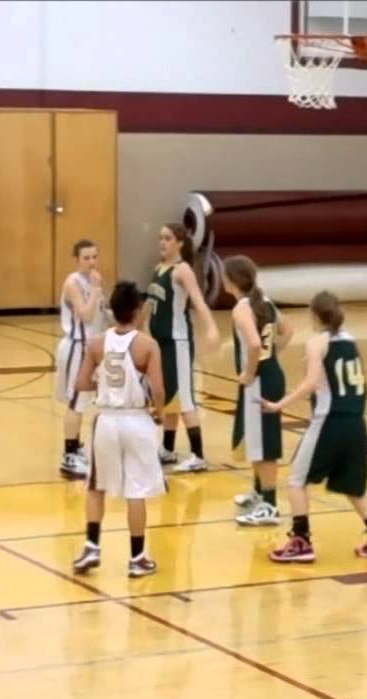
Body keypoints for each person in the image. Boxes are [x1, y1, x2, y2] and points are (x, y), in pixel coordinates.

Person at [262, 291, 367, 563]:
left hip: (329, 421)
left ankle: (301, 540)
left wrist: (279, 405)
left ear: (314, 315)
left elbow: (311, 383)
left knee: (296, 481)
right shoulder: (350, 340)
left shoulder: (316, 343)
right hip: (356, 422)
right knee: (353, 485)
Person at [70, 281, 166, 578]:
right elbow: (158, 390)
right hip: (136, 418)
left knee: (96, 486)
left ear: (112, 310)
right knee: (136, 489)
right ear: (138, 311)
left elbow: (81, 383)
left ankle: (91, 546)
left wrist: (106, 382)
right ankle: (137, 557)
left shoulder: (97, 343)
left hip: (106, 420)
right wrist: (159, 412)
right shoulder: (147, 345)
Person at [142, 223, 220, 473]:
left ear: (179, 243)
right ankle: (167, 449)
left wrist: (212, 328)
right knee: (169, 397)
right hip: (160, 344)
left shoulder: (182, 270)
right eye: (160, 238)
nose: (162, 242)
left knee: (184, 398)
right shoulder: (158, 269)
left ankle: (198, 456)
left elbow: (198, 301)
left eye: (167, 238)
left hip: (178, 343)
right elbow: (149, 305)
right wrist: (135, 326)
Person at [224, 256, 294, 526]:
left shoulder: (242, 308)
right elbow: (288, 331)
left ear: (230, 280)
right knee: (256, 439)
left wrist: (250, 372)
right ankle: (259, 492)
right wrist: (271, 356)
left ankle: (270, 506)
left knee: (264, 443)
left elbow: (254, 344)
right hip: (271, 375)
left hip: (260, 382)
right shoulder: (264, 301)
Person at [55, 239, 107, 479]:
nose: (92, 262)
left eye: (94, 257)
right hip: (76, 346)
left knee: (83, 401)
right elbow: (85, 315)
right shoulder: (72, 283)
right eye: (86, 258)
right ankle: (69, 454)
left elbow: (101, 314)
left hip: (91, 347)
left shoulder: (93, 283)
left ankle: (76, 448)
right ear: (77, 259)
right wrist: (96, 291)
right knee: (76, 401)